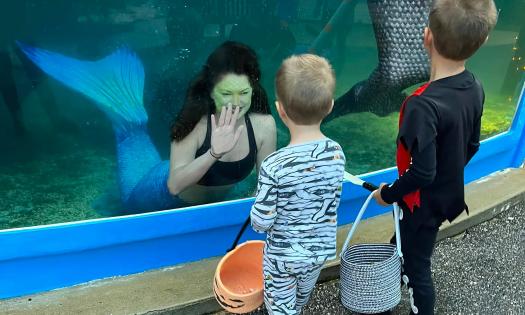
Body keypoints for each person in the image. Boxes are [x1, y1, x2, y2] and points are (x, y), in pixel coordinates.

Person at [372, 1, 498, 314]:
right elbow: (472, 146)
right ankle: (393, 276)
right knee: (404, 243)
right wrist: (448, 173)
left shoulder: (420, 106)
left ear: (426, 36)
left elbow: (422, 173)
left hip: (422, 204)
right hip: (446, 196)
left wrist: (388, 194)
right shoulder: (475, 87)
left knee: (419, 271)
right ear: (481, 42)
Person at [250, 54, 345, 314]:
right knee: (300, 299)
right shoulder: (337, 153)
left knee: (281, 307)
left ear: (280, 109)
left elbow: (261, 223)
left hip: (282, 258)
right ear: (330, 106)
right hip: (318, 254)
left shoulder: (273, 165)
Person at [168, 41, 277, 205]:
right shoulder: (194, 124)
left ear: (252, 90)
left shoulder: (264, 126)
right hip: (172, 202)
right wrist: (213, 153)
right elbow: (174, 187)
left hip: (222, 204)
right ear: (210, 92)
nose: (236, 102)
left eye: (244, 92)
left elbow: (264, 185)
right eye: (226, 93)